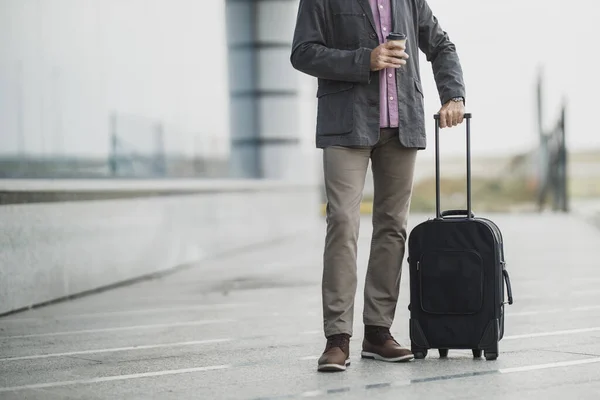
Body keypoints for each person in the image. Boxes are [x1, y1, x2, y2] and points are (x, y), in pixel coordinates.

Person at [290, 0, 466, 372]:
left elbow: (441, 45)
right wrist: (363, 60)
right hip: (345, 124)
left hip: (402, 124)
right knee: (342, 221)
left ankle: (377, 332)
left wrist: (453, 95)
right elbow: (303, 52)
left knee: (392, 227)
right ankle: (337, 338)